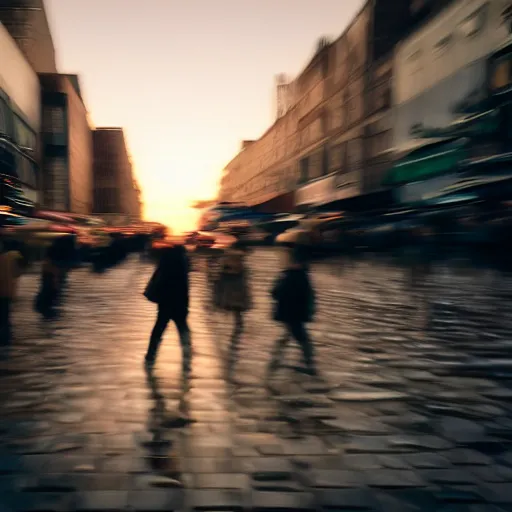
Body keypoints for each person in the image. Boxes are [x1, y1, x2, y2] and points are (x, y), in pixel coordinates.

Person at [268, 245, 318, 378]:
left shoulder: (287, 276)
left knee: (298, 336)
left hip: (290, 312)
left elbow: (274, 293)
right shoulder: (304, 276)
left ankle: (307, 364)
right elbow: (311, 296)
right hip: (297, 313)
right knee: (297, 335)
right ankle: (280, 359)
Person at [144, 245, 192, 371]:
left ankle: (150, 356)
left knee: (159, 329)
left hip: (165, 302)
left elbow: (158, 280)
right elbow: (184, 286)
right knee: (183, 330)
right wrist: (186, 304)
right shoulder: (182, 261)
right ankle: (187, 359)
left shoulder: (165, 260)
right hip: (178, 302)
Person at [214, 240, 252, 373]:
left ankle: (238, 325)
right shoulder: (238, 259)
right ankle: (238, 325)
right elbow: (241, 273)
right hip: (237, 289)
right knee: (237, 310)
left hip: (232, 290)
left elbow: (222, 275)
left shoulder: (228, 258)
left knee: (235, 309)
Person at [0, 239, 23, 346]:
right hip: (6, 292)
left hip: (4, 292)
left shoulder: (4, 256)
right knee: (5, 320)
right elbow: (18, 272)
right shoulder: (15, 255)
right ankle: (5, 342)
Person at [34, 242, 62, 319]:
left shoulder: (46, 262)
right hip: (50, 287)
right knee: (48, 307)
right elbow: (54, 277)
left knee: (47, 308)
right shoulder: (52, 263)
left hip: (46, 287)